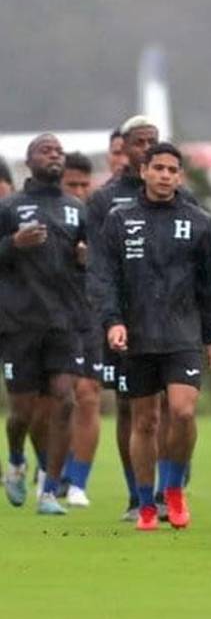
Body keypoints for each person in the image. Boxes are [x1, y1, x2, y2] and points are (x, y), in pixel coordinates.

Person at [90, 142, 211, 531]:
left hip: (182, 334)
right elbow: (104, 278)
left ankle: (174, 490)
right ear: (144, 171)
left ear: (180, 176)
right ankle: (145, 504)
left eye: (172, 169)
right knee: (143, 421)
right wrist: (113, 320)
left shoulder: (199, 222)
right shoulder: (119, 218)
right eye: (158, 168)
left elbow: (210, 287)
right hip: (137, 335)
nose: (165, 175)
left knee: (182, 411)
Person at [0, 134, 87, 515]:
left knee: (65, 400)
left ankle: (50, 490)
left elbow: (91, 264)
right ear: (29, 160)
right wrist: (12, 244)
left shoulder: (76, 209)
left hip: (64, 322)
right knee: (22, 413)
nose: (54, 156)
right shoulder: (9, 208)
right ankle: (16, 460)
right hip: (19, 324)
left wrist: (87, 260)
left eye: (58, 152)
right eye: (45, 151)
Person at [56, 151, 102, 505]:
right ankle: (51, 468)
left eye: (84, 184)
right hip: (51, 320)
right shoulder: (45, 221)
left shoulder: (97, 221)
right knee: (59, 399)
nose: (79, 191)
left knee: (88, 395)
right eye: (72, 184)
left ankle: (77, 483)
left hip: (90, 319)